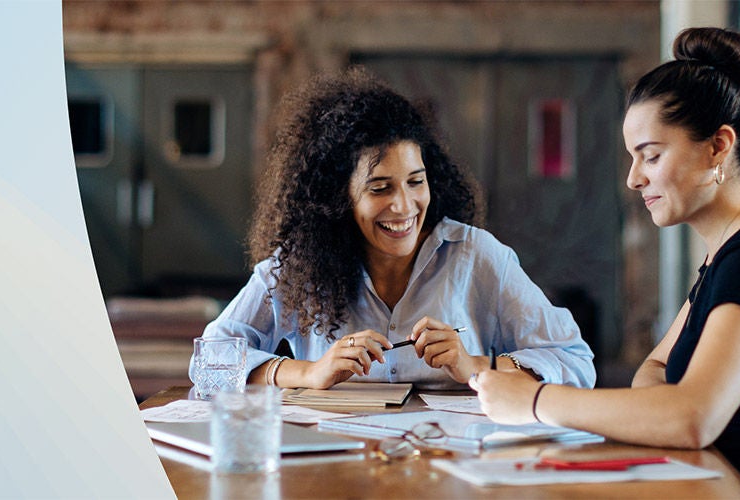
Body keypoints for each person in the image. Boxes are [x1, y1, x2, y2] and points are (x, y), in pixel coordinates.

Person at [471, 27, 740, 498]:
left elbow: (692, 417)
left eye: (651, 156)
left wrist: (538, 401)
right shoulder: (727, 254)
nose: (633, 179)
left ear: (717, 147)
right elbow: (657, 368)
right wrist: (667, 407)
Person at [189, 68, 596, 391]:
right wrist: (309, 372)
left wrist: (473, 366)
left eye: (416, 182)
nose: (404, 206)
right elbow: (208, 362)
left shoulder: (477, 256)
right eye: (379, 187)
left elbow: (576, 362)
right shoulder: (299, 267)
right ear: (337, 197)